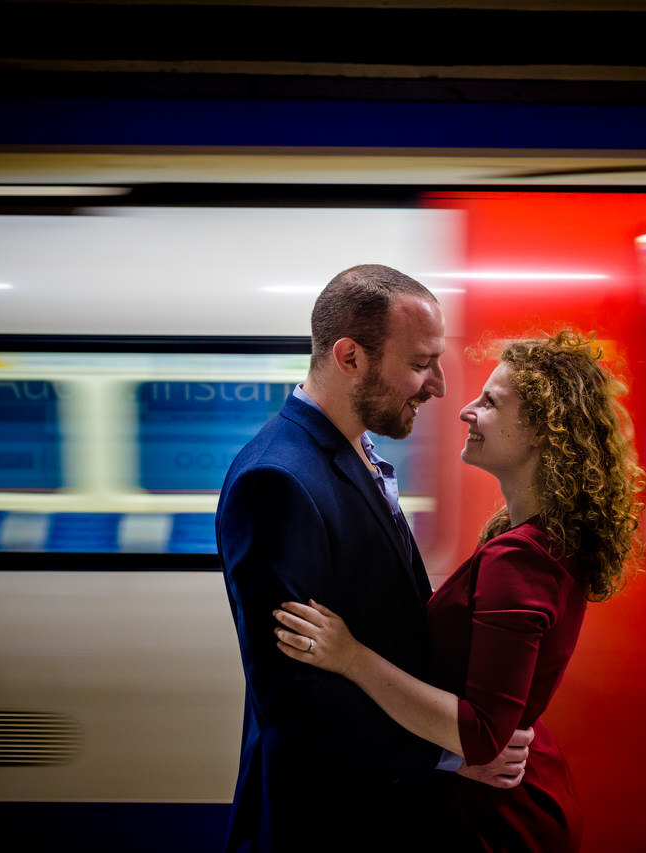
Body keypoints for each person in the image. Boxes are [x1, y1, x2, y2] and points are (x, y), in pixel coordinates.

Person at [273, 330, 645, 852]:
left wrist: (350, 657)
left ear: (540, 431)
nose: (466, 409)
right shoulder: (538, 539)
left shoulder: (519, 557)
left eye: (490, 402)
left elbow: (480, 736)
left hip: (495, 822)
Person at [216, 264, 533, 853]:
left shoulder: (348, 451)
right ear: (350, 358)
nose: (439, 386)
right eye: (419, 364)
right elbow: (292, 698)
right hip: (326, 821)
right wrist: (450, 754)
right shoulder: (277, 481)